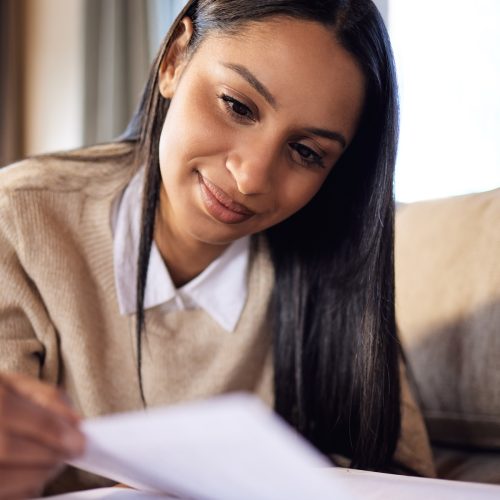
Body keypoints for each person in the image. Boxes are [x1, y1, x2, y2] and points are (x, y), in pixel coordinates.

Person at [0, 0, 436, 496]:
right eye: (238, 105)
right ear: (174, 60)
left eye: (306, 152)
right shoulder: (19, 219)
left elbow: (399, 475)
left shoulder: (333, 266)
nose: (251, 178)